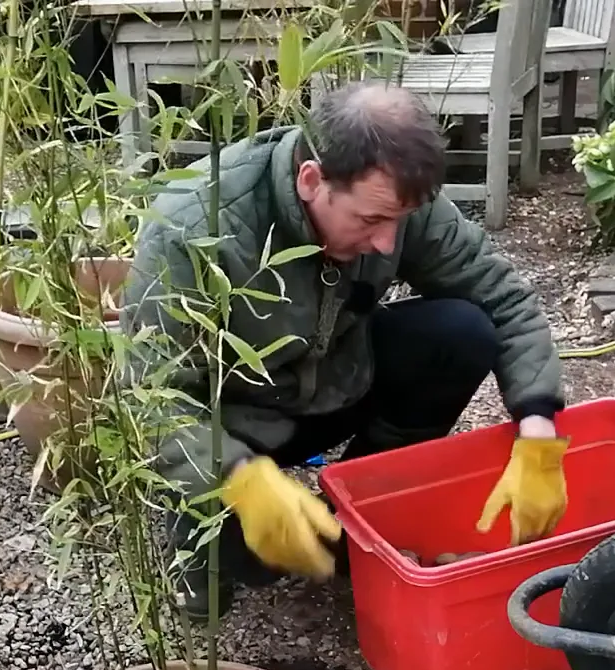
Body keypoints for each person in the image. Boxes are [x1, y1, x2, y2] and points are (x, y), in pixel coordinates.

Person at [118, 79, 570, 619]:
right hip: (237, 420)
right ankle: (214, 543)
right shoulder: (196, 224)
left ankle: (356, 511)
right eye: (372, 221)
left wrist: (539, 427)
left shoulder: (393, 196)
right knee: (244, 569)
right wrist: (236, 476)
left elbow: (502, 297)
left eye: (396, 223)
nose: (386, 242)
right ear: (312, 180)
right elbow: (149, 394)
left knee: (460, 333)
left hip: (336, 382)